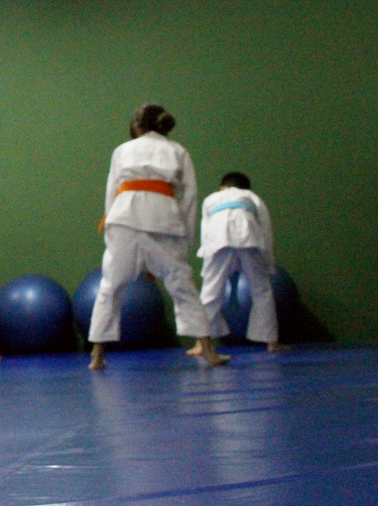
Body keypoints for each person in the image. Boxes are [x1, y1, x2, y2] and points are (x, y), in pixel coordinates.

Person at [89, 104, 227, 370]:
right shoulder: (177, 150)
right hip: (163, 216)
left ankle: (96, 356)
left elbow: (112, 188)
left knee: (111, 285)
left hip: (124, 216)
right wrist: (186, 235)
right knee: (181, 283)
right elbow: (189, 195)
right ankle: (208, 351)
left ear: (137, 126)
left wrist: (109, 219)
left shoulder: (122, 150)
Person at [190, 171, 282, 353]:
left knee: (210, 291)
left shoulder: (211, 199)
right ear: (246, 188)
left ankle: (201, 343)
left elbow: (205, 230)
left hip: (218, 240)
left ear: (221, 187)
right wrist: (268, 262)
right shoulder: (253, 197)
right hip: (249, 237)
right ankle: (271, 341)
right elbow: (265, 229)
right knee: (262, 290)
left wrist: (206, 262)